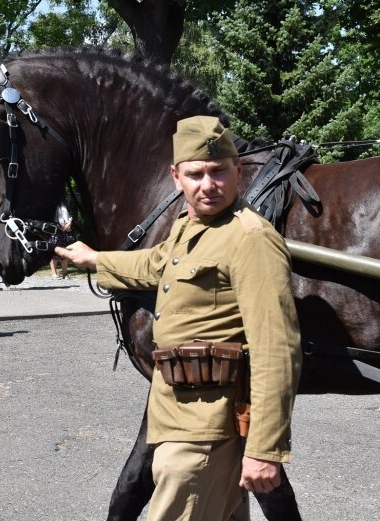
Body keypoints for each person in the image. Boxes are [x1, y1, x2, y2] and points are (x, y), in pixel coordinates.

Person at [56, 116, 302, 520]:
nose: (208, 185)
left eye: (219, 171)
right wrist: (95, 259)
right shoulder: (190, 227)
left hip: (206, 434)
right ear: (176, 177)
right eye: (196, 174)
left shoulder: (250, 239)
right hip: (175, 419)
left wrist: (264, 449)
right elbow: (157, 264)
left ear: (238, 171)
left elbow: (278, 349)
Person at [49, 203, 73, 279]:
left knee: (65, 252)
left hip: (65, 231)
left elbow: (71, 213)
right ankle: (54, 273)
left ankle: (65, 274)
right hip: (53, 230)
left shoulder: (64, 203)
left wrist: (69, 222)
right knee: (53, 252)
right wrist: (59, 226)